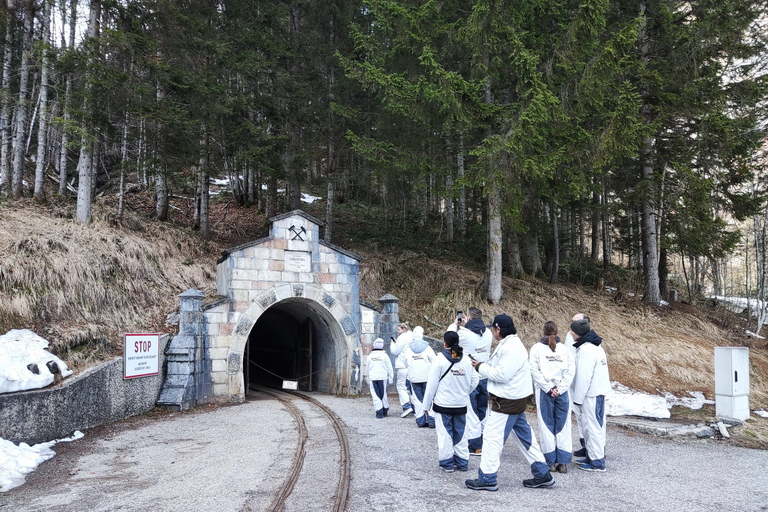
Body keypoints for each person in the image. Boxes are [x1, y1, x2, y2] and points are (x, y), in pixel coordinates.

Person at [465, 315, 554, 491]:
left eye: (493, 329)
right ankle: (542, 473)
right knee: (525, 438)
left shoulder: (512, 348)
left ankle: (488, 478)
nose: (492, 332)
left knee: (492, 439)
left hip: (507, 401)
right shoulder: (511, 345)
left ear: (498, 330)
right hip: (514, 399)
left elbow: (501, 375)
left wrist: (479, 366)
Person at [422, 331, 479, 472]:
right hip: (461, 404)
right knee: (460, 432)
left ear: (445, 343)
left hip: (443, 404)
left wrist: (426, 405)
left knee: (445, 434)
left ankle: (447, 463)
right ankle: (462, 461)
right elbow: (475, 380)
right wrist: (465, 393)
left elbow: (431, 385)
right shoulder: (466, 360)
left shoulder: (439, 360)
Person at [529, 321, 575, 473]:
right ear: (557, 331)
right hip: (562, 393)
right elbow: (570, 372)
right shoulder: (565, 350)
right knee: (563, 426)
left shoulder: (536, 348)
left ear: (543, 332)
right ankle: (563, 462)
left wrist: (549, 388)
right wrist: (560, 389)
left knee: (546, 425)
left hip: (545, 392)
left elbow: (534, 370)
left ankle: (550, 461)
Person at [447, 307, 492, 455]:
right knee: (482, 410)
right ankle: (485, 441)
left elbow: (449, 338)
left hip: (470, 377)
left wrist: (456, 324)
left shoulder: (463, 334)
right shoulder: (489, 333)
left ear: (469, 318)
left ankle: (475, 445)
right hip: (484, 375)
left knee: (471, 412)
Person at [570, 318, 611, 472]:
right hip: (598, 392)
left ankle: (597, 462)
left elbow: (583, 378)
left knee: (592, 427)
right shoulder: (596, 347)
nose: (571, 333)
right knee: (595, 426)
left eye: (573, 330)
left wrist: (577, 399)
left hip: (590, 394)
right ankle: (593, 457)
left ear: (579, 333)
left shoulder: (586, 350)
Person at [401, 326, 436, 427]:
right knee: (429, 398)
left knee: (417, 399)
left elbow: (404, 362)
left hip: (414, 377)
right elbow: (434, 361)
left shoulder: (408, 348)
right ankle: (431, 420)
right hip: (427, 377)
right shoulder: (427, 348)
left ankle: (420, 420)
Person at [565, 312, 588, 456]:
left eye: (576, 322)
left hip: (583, 381)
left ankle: (595, 447)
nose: (572, 325)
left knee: (587, 417)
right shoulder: (570, 335)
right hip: (572, 379)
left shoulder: (589, 342)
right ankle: (583, 443)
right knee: (578, 415)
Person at [390, 323, 414, 417]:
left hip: (402, 365)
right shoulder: (412, 336)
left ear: (404, 329)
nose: (397, 331)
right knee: (410, 387)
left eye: (399, 329)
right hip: (411, 365)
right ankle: (415, 407)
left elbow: (395, 351)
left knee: (401, 386)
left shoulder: (402, 337)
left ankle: (406, 406)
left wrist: (392, 344)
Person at [367, 337, 394, 418]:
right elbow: (389, 367)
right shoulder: (385, 356)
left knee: (376, 395)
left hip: (373, 377)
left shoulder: (370, 356)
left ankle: (379, 411)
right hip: (383, 377)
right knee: (383, 393)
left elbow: (367, 368)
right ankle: (385, 408)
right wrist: (391, 378)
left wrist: (368, 378)